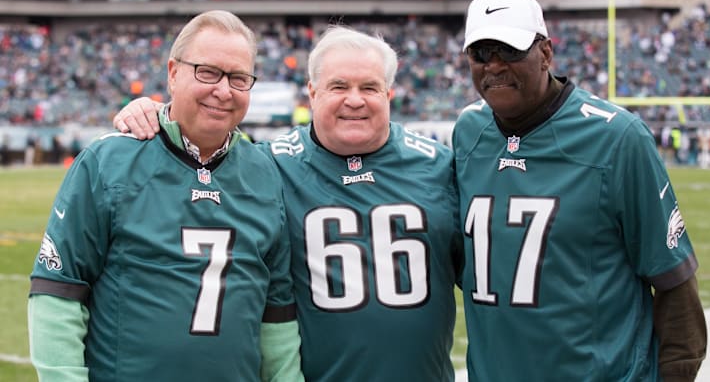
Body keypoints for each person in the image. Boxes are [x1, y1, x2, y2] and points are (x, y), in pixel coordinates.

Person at [113, 25, 464, 381]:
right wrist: (157, 115)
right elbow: (195, 160)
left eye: (369, 88)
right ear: (312, 93)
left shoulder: (438, 166)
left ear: (389, 94)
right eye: (339, 86)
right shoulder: (267, 165)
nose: (354, 100)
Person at [28, 10, 303, 382]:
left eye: (239, 78)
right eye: (208, 72)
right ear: (173, 73)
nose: (223, 91)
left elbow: (277, 316)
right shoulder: (109, 162)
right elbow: (58, 291)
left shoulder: (267, 172)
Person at [453, 0, 706, 381]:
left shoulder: (617, 138)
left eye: (511, 51)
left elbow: (674, 284)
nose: (495, 65)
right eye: (481, 53)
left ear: (546, 54)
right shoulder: (468, 131)